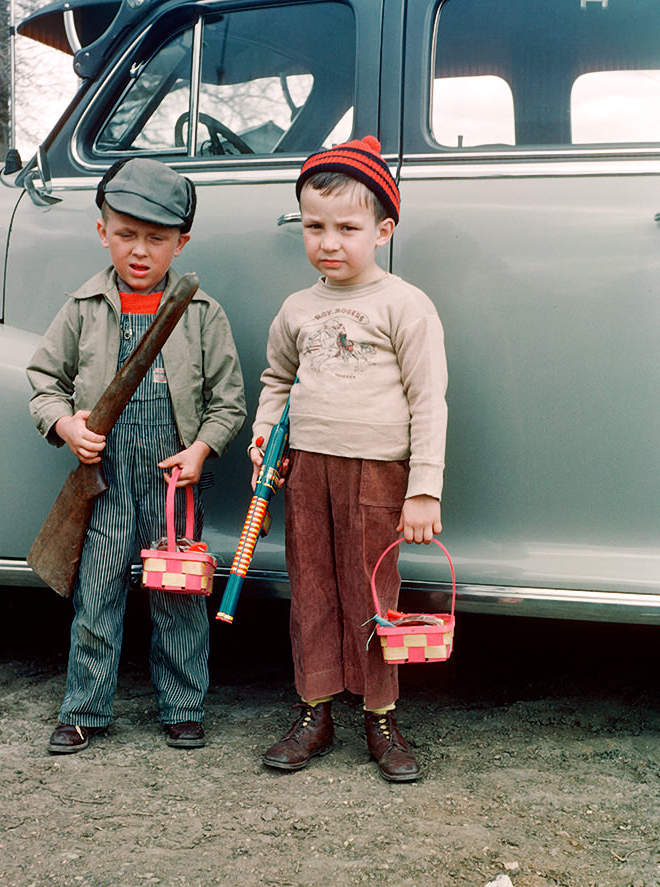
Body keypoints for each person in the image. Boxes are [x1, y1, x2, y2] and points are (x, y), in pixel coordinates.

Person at [27, 157, 246, 754]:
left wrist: (202, 448)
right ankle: (84, 710)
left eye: (157, 238)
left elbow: (229, 403)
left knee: (178, 599)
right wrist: (67, 425)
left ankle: (182, 707)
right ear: (102, 232)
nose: (140, 251)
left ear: (183, 242)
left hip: (175, 490)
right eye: (126, 234)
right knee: (97, 596)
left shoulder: (202, 315)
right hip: (105, 483)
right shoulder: (81, 307)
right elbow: (43, 382)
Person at [250, 136, 447, 782]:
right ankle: (316, 711)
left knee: (371, 595)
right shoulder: (297, 310)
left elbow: (429, 400)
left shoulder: (404, 306)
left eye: (347, 228)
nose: (328, 242)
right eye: (314, 226)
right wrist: (264, 442)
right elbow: (276, 381)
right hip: (307, 470)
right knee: (310, 590)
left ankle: (379, 715)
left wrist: (424, 490)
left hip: (377, 473)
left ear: (384, 230)